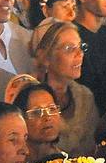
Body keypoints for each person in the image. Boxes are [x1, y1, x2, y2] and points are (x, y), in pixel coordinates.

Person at [29, 17, 99, 155]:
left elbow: (92, 147)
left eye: (81, 47)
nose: (80, 54)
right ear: (46, 58)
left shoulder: (85, 96)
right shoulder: (29, 99)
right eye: (69, 49)